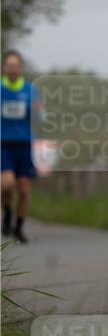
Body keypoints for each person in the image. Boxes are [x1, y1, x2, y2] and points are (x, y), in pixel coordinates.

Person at [1, 50, 39, 243]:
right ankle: (7, 213)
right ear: (4, 68)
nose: (13, 69)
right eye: (9, 65)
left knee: (24, 190)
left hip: (24, 144)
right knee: (6, 185)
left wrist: (38, 111)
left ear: (20, 68)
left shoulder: (30, 89)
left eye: (16, 65)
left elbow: (39, 118)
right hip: (3, 144)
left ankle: (19, 228)